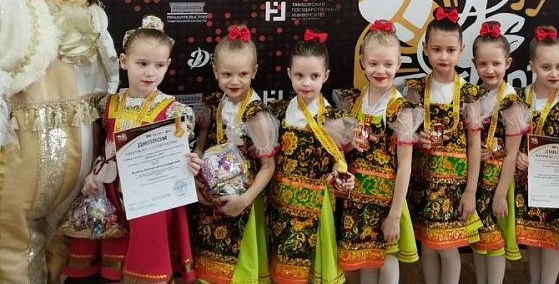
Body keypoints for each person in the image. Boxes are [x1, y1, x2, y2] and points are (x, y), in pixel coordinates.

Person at [0, 0, 121, 283]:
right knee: (11, 249)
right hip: (20, 158)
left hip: (79, 169)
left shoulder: (92, 14)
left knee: (63, 249)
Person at [63, 15, 201, 282]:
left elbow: (179, 158)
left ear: (168, 65)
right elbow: (101, 149)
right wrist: (93, 175)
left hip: (150, 201)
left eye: (159, 65)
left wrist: (190, 165)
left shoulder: (175, 111)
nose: (150, 72)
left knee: (144, 264)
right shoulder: (108, 104)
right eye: (142, 63)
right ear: (124, 61)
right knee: (108, 265)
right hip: (111, 195)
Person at [333, 19, 421, 284]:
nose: (380, 71)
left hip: (386, 201)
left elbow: (405, 166)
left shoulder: (400, 108)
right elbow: (342, 149)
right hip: (357, 198)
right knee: (364, 260)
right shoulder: (353, 101)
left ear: (399, 63)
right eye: (373, 64)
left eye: (388, 64)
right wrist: (350, 144)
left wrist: (395, 214)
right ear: (362, 62)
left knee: (387, 260)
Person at [266, 29, 356, 284]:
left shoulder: (334, 118)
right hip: (282, 203)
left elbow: (339, 159)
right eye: (299, 76)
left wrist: (342, 177)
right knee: (284, 266)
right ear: (289, 74)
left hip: (317, 204)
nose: (306, 83)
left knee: (314, 265)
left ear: (326, 75)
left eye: (314, 76)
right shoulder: (279, 111)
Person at [190, 23, 278, 284]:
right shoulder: (213, 104)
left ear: (254, 72)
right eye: (227, 74)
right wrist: (196, 174)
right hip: (211, 202)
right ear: (215, 71)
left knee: (240, 272)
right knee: (211, 270)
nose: (235, 81)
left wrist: (245, 200)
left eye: (243, 74)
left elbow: (268, 166)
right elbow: (201, 146)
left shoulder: (256, 114)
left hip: (243, 204)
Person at [403, 7, 482, 284]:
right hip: (422, 183)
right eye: (436, 49)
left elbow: (474, 145)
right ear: (425, 48)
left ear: (461, 50)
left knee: (448, 248)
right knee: (427, 244)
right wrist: (417, 138)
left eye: (450, 50)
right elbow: (406, 136)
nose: (443, 57)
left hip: (454, 187)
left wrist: (470, 190)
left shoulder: (470, 93)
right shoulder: (415, 89)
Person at [515, 25, 559, 284]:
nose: (554, 73)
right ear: (531, 65)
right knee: (532, 238)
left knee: (551, 239)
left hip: (555, 183)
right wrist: (518, 155)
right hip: (526, 183)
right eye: (546, 67)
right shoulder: (518, 99)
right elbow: (508, 139)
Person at [469, 21, 529, 284]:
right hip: (478, 177)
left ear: (508, 63)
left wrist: (501, 194)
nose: (489, 70)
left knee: (495, 241)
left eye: (496, 63)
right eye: (483, 64)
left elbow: (512, 153)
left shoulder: (511, 100)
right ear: (474, 64)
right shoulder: (474, 95)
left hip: (500, 181)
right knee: (479, 238)